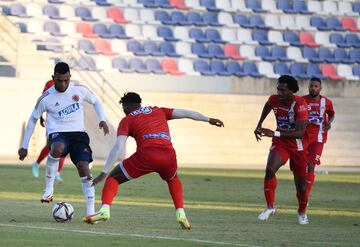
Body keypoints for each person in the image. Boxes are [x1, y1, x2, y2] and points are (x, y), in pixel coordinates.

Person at [83, 92, 224, 229]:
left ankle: (104, 210)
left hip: (147, 155)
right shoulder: (159, 111)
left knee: (113, 178)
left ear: (125, 107)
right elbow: (187, 113)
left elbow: (118, 146)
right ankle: (181, 214)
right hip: (168, 155)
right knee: (173, 179)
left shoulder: (127, 120)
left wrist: (103, 172)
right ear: (140, 104)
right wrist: (208, 119)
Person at [18, 62, 109, 218]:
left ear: (69, 77)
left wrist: (102, 119)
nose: (63, 84)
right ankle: (48, 189)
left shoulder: (79, 90)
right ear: (53, 78)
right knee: (57, 148)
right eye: (59, 80)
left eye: (66, 80)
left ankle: (91, 212)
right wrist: (24, 145)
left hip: (78, 135)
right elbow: (33, 119)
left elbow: (96, 101)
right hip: (58, 133)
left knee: (84, 167)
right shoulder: (46, 98)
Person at [254, 75, 310, 225]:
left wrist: (274, 133)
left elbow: (299, 133)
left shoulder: (301, 105)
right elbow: (267, 105)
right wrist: (259, 124)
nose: (279, 92)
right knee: (270, 169)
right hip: (281, 143)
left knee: (302, 187)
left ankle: (302, 211)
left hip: (297, 145)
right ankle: (270, 207)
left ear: (292, 91)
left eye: (283, 90)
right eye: (278, 89)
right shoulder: (274, 99)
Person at [302, 77, 335, 201]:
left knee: (311, 166)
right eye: (311, 86)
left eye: (316, 86)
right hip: (303, 137)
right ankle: (301, 191)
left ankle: (304, 196)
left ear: (320, 88)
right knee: (301, 167)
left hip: (318, 139)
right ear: (308, 87)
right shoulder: (302, 100)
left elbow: (331, 114)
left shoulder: (326, 102)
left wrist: (329, 123)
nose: (313, 88)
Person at [32, 80, 65, 182]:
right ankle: (37, 163)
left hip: (65, 120)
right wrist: (41, 117)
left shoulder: (68, 84)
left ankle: (57, 173)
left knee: (64, 146)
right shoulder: (50, 84)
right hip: (52, 120)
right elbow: (42, 100)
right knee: (50, 145)